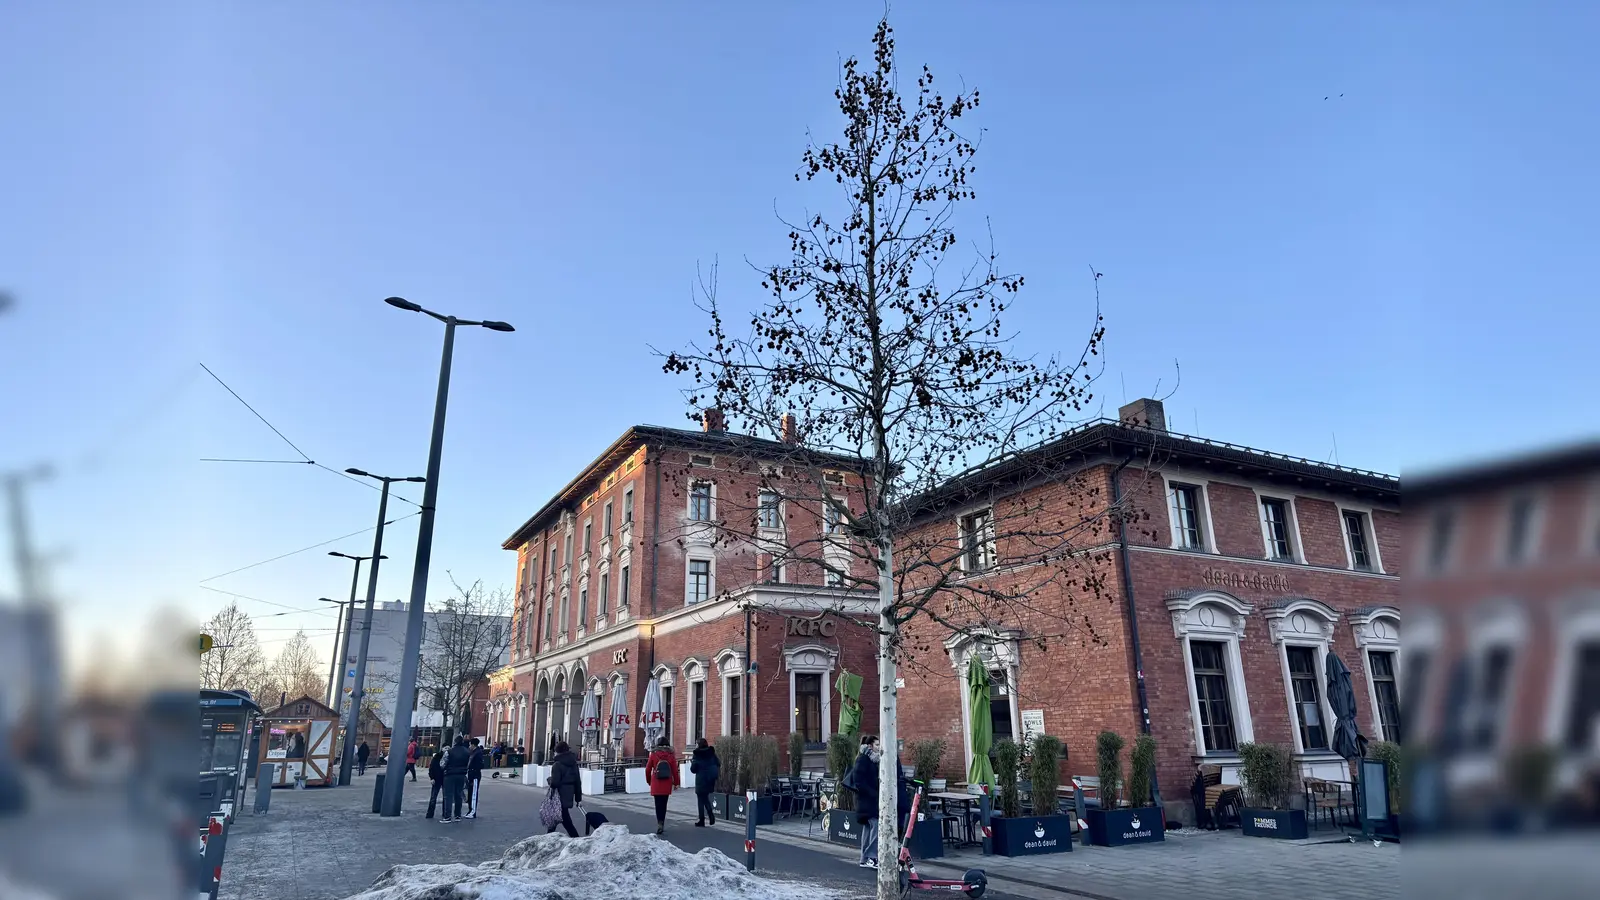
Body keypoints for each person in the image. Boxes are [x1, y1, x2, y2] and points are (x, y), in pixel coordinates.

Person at [851, 734, 882, 869]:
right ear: (870, 746)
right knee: (875, 826)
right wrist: (873, 793)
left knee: (869, 828)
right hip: (867, 801)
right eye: (877, 745)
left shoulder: (871, 760)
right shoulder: (863, 759)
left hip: (868, 801)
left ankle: (864, 858)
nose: (879, 747)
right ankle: (872, 857)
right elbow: (858, 781)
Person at [546, 740, 582, 837]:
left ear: (557, 751)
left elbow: (555, 783)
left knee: (564, 820)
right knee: (559, 818)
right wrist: (578, 799)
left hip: (559, 795)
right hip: (569, 794)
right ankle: (548, 837)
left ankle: (576, 840)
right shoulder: (574, 764)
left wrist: (549, 780)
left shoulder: (557, 765)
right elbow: (578, 782)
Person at [645, 736, 680, 835]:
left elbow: (647, 769)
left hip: (656, 782)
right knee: (664, 804)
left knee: (658, 804)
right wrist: (676, 783)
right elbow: (674, 771)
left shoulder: (653, 754)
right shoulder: (670, 755)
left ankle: (659, 823)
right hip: (667, 782)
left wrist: (649, 781)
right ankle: (662, 822)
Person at [690, 738, 720, 827]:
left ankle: (702, 819)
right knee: (705, 797)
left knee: (700, 799)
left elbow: (693, 769)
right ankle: (710, 815)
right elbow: (718, 763)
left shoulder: (697, 754)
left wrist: (694, 763)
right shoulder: (711, 753)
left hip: (701, 779)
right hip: (710, 779)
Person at [441, 736, 471, 823]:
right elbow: (468, 764)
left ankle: (447, 816)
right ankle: (458, 815)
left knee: (448, 795)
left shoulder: (449, 751)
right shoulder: (467, 752)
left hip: (450, 775)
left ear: (455, 742)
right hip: (461, 775)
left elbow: (442, 764)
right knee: (459, 795)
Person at [465, 738, 486, 819]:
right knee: (470, 793)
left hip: (475, 775)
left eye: (470, 744)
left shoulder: (478, 753)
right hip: (471, 775)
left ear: (473, 745)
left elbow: (480, 765)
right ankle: (470, 810)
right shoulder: (473, 752)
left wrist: (474, 771)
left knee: (473, 794)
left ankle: (473, 812)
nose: (469, 746)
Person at [424, 749, 446, 819]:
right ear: (442, 748)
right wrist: (432, 777)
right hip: (436, 779)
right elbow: (431, 768)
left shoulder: (450, 756)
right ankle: (430, 813)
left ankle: (445, 813)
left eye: (448, 748)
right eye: (445, 748)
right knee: (433, 797)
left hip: (446, 779)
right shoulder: (437, 757)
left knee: (446, 797)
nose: (447, 750)